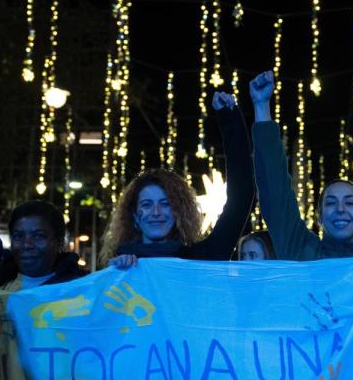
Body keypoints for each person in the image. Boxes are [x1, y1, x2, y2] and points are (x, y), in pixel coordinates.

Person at [248, 70, 353, 366]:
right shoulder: (303, 251)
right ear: (320, 216)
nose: (340, 209)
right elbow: (275, 193)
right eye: (331, 203)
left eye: (349, 203)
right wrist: (262, 107)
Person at [103, 92, 254, 266]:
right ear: (135, 216)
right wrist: (115, 274)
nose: (156, 212)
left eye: (165, 204)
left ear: (178, 212)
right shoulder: (118, 267)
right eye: (146, 205)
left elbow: (241, 197)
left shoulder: (202, 258)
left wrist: (230, 119)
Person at [0, 117, 86, 290]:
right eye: (18, 236)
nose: (27, 245)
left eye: (39, 236)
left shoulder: (79, 288)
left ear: (59, 242)